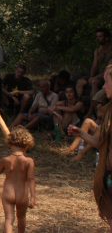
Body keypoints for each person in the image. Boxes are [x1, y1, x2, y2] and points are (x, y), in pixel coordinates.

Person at [69, 62, 112, 227]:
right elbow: (98, 142)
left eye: (107, 82)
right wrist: (81, 133)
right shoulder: (108, 111)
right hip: (108, 177)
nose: (104, 86)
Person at [0, 126, 36, 233]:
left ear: (10, 143)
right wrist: (33, 197)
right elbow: (31, 179)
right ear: (27, 145)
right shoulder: (29, 161)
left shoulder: (5, 160)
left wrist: (2, 165)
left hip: (8, 193)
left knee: (9, 219)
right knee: (21, 218)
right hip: (22, 194)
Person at [90, 28, 112, 97]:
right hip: (100, 75)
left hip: (109, 75)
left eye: (100, 36)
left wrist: (95, 77)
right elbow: (93, 72)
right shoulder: (97, 51)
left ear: (107, 38)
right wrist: (96, 58)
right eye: (97, 37)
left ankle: (93, 107)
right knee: (80, 82)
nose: (97, 38)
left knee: (94, 82)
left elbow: (109, 69)